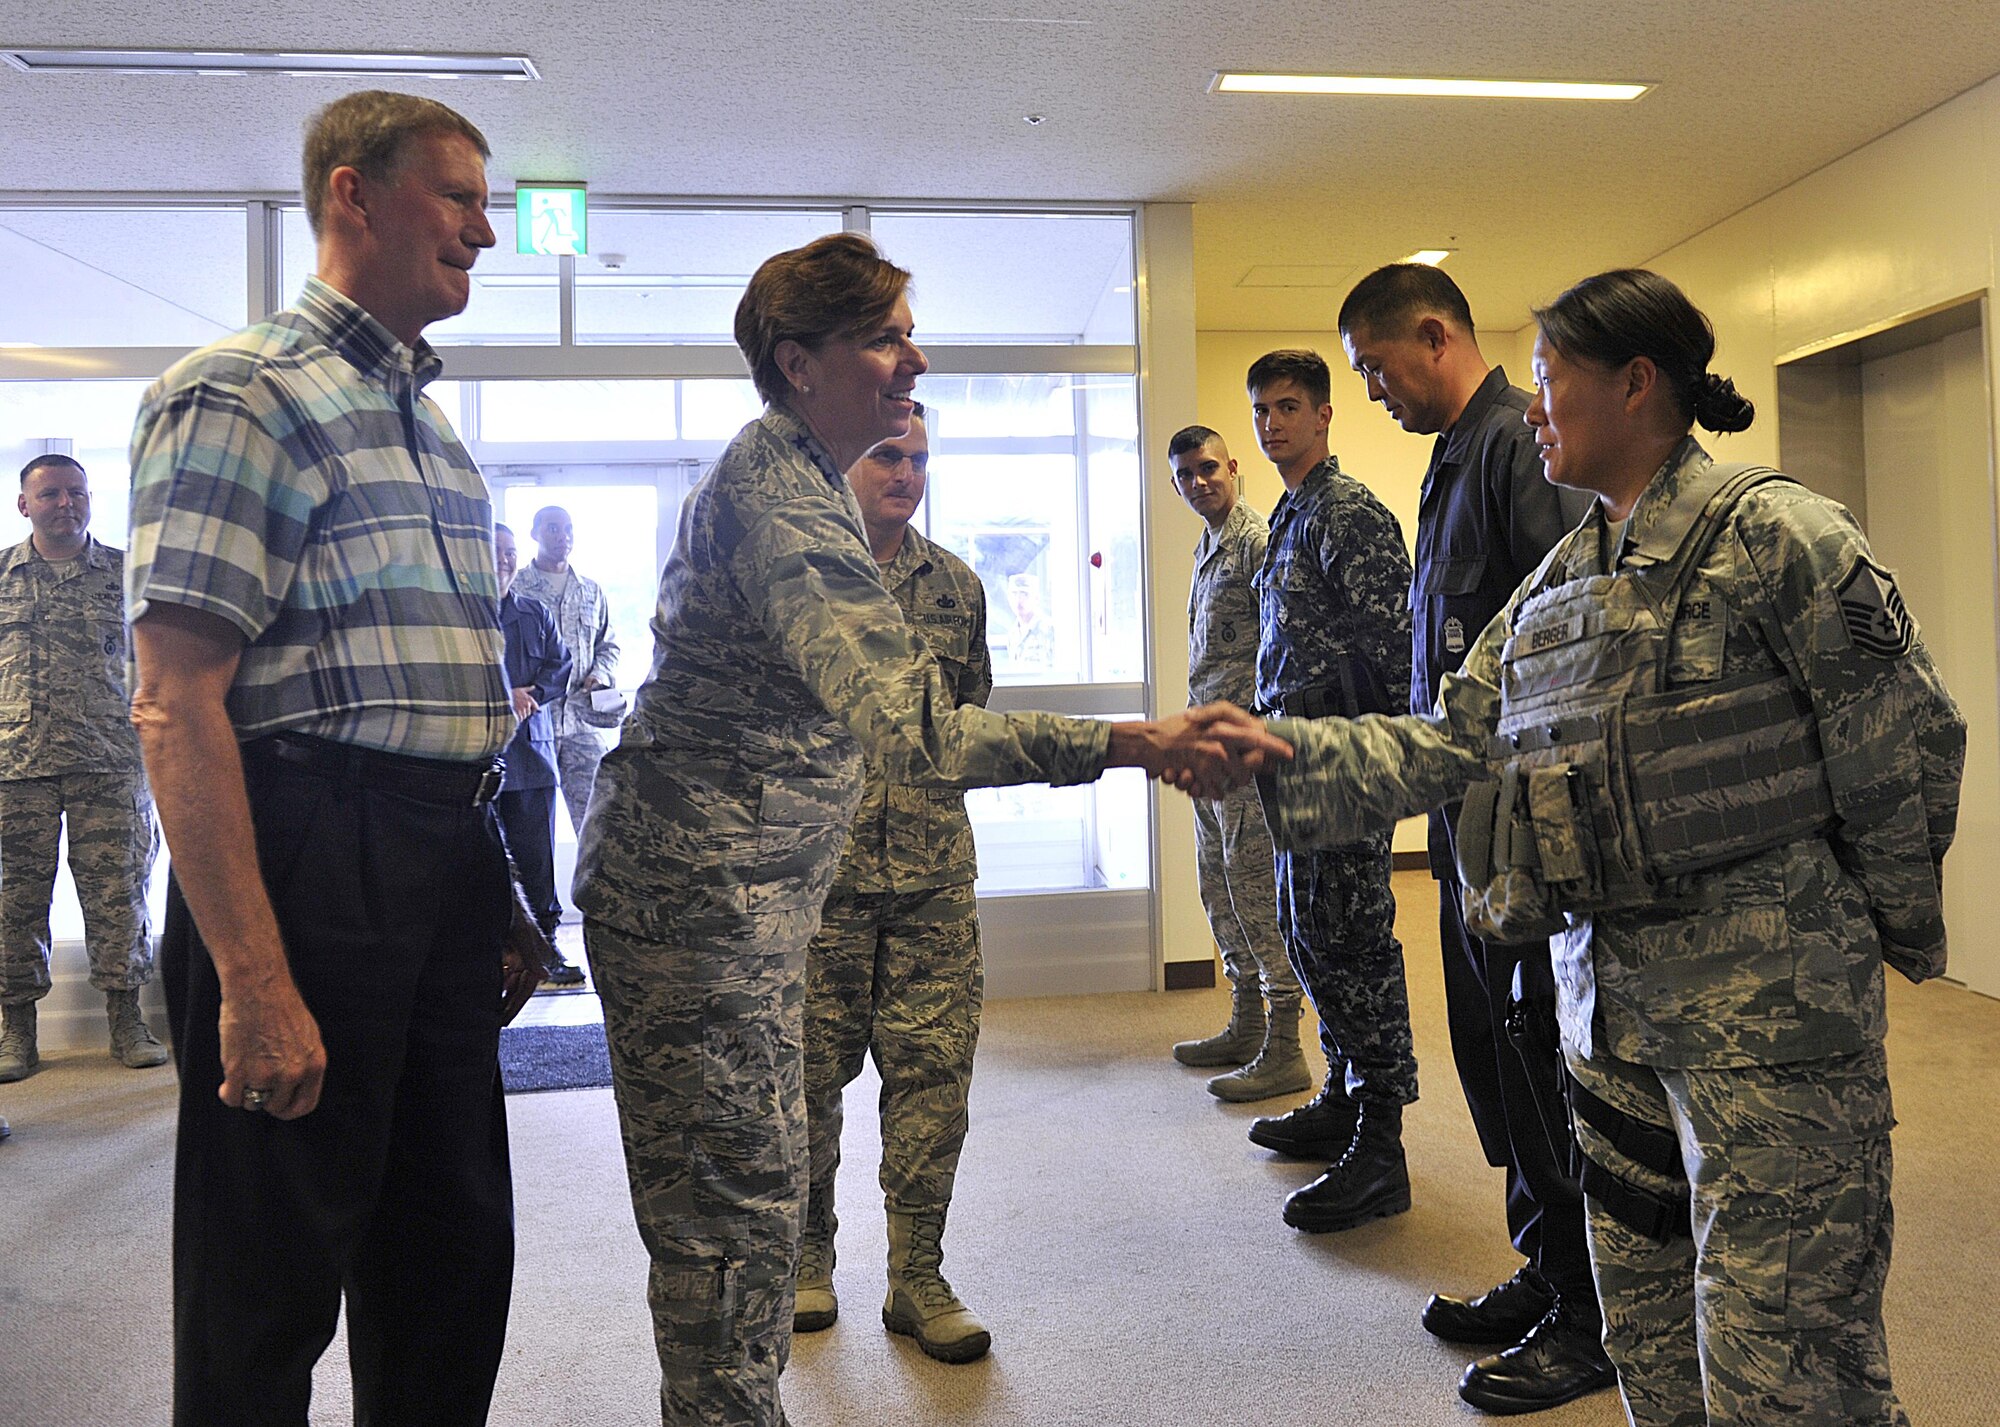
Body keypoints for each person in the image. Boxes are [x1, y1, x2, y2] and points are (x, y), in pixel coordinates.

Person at [572, 232, 1288, 1427]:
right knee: (727, 1217)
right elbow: (922, 728)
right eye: (886, 337)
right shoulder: (784, 501)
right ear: (799, 363)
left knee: (744, 1202)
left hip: (747, 897)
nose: (916, 358)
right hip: (694, 907)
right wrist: (1133, 742)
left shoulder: (812, 488)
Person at [1258, 268, 1963, 1427]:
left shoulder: (1776, 535)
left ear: (1636, 383)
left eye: (1545, 381)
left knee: (1786, 1373)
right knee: (1651, 1351)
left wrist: (1872, 928)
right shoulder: (1555, 581)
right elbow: (1448, 743)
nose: (1528, 408)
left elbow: (1904, 741)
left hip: (1771, 1036)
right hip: (1607, 1031)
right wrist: (1263, 759)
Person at [125, 90, 549, 1427]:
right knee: (268, 1279)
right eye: (461, 196)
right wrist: (252, 978)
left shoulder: (432, 431)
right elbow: (175, 697)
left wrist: (491, 891)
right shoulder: (244, 389)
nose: (487, 229)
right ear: (353, 195)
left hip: (433, 857)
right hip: (306, 857)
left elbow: (436, 698)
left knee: (451, 1254)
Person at [1338, 264, 1611, 1413]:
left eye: (1373, 368)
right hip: (1469, 828)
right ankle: (1545, 1268)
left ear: (1433, 335)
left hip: (1521, 838)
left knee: (1542, 1056)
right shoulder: (1454, 459)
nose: (1372, 393)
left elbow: (1565, 642)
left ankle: (1589, 1313)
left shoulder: (1511, 447)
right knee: (1498, 1059)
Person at [795, 407, 997, 1364]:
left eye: (919, 457)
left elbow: (967, 715)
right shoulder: (798, 576)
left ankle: (918, 1272)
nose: (906, 472)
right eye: (887, 454)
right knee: (802, 1081)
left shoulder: (956, 586)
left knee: (933, 1078)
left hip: (929, 877)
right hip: (813, 882)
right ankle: (804, 1254)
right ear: (845, 457)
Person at [1237, 349, 1418, 1234]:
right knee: (1309, 933)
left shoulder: (1346, 513)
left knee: (1351, 940)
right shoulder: (1291, 510)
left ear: (1324, 415)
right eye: (1262, 408)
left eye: (1289, 406)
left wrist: (1372, 760)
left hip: (1341, 759)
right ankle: (1344, 1098)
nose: (1272, 423)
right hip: (1293, 754)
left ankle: (1381, 1143)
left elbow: (1399, 649)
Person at [0, 454, 165, 1081]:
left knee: (119, 894)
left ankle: (127, 1020)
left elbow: (161, 666)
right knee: (15, 902)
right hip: (17, 768)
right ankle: (16, 1030)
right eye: (49, 495)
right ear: (24, 505)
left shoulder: (128, 576)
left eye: (75, 492)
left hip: (111, 764)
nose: (64, 504)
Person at [1165, 425, 1307, 1103]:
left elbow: (1279, 652)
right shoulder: (1207, 546)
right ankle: (1247, 1019)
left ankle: (1285, 1043)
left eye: (1209, 469)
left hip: (1243, 754)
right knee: (1219, 886)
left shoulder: (1255, 540)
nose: (1199, 482)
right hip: (1207, 753)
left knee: (1256, 891)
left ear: (1234, 467)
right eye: (1186, 474)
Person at [511, 503, 618, 985]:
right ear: (536, 534)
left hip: (584, 728)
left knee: (599, 827)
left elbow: (610, 644)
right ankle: (540, 936)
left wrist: (603, 672)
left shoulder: (590, 590)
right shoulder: (516, 592)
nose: (562, 536)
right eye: (553, 528)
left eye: (568, 528)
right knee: (535, 837)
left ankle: (610, 925)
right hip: (532, 731)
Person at [494, 523, 574, 955]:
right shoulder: (465, 617)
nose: (504, 560)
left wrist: (532, 696)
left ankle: (546, 949)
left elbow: (561, 666)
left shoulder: (535, 612)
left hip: (532, 755)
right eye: (495, 551)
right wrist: (504, 696)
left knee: (536, 858)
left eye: (510, 552)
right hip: (480, 758)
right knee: (485, 863)